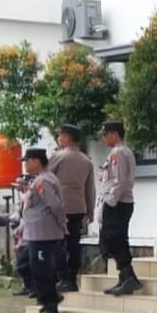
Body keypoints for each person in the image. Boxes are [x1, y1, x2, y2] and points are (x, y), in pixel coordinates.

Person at [20, 149, 68, 313]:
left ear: (36, 162)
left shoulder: (43, 181)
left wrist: (62, 223)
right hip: (37, 233)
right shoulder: (42, 179)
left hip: (43, 235)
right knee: (38, 270)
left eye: (27, 161)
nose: (25, 164)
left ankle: (51, 312)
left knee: (42, 272)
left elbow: (55, 205)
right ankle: (50, 301)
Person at [97, 121, 142, 295]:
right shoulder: (117, 152)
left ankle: (128, 277)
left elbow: (120, 180)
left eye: (106, 134)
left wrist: (110, 201)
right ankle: (125, 277)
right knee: (116, 240)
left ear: (115, 134)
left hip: (118, 204)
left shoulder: (119, 153)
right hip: (118, 203)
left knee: (116, 240)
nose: (103, 138)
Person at [49, 124, 95, 292]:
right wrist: (90, 210)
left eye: (60, 136)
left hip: (59, 207)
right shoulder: (86, 160)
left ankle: (62, 277)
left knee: (58, 243)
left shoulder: (58, 157)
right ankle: (72, 277)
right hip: (78, 207)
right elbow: (90, 188)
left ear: (68, 138)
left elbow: (46, 179)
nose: (58, 139)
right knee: (74, 243)